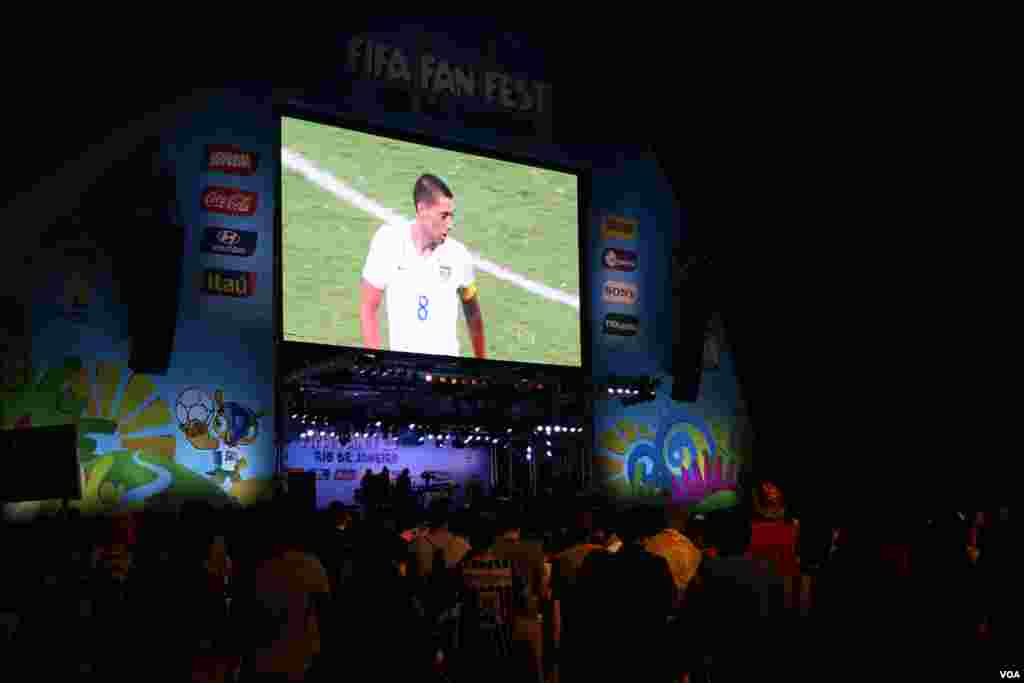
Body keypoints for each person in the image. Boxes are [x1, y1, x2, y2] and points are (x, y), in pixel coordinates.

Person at [359, 173, 487, 358]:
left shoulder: (459, 256)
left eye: (452, 216)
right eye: (444, 216)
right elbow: (368, 306)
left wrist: (481, 364)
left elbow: (473, 314)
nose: (450, 224)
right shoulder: (388, 241)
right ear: (422, 209)